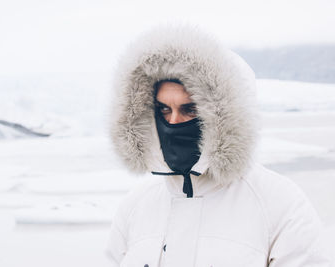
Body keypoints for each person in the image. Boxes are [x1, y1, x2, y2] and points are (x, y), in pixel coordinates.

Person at [106, 25, 331, 267]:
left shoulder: (278, 203)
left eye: (189, 109)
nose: (172, 123)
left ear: (224, 114)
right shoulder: (137, 207)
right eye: (163, 109)